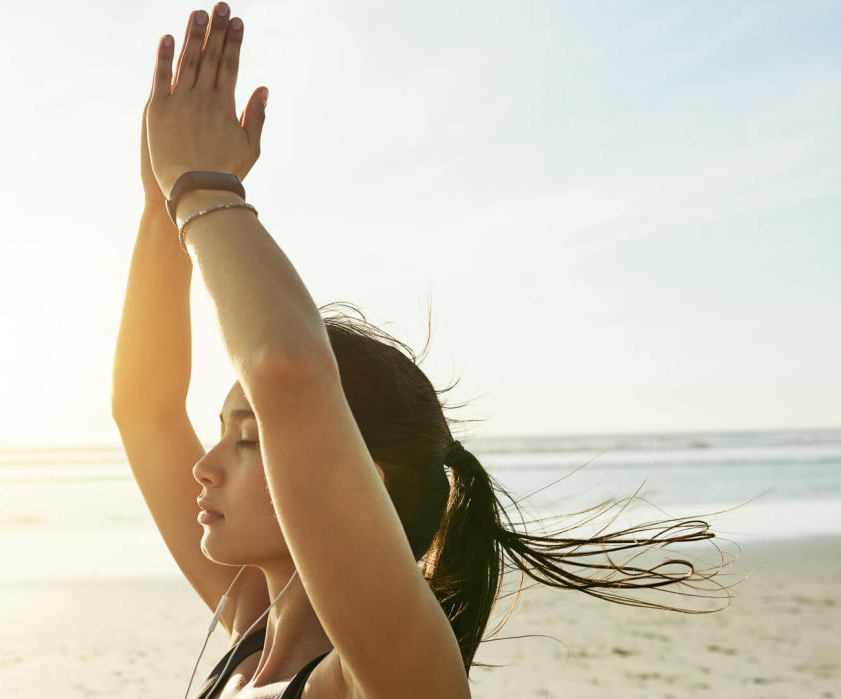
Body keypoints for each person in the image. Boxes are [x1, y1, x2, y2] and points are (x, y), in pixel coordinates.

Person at [111, 4, 738, 697]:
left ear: (360, 481)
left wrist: (202, 186)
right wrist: (158, 198)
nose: (203, 466)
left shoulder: (390, 675)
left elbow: (286, 369)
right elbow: (145, 408)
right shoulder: (250, 636)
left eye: (250, 437)